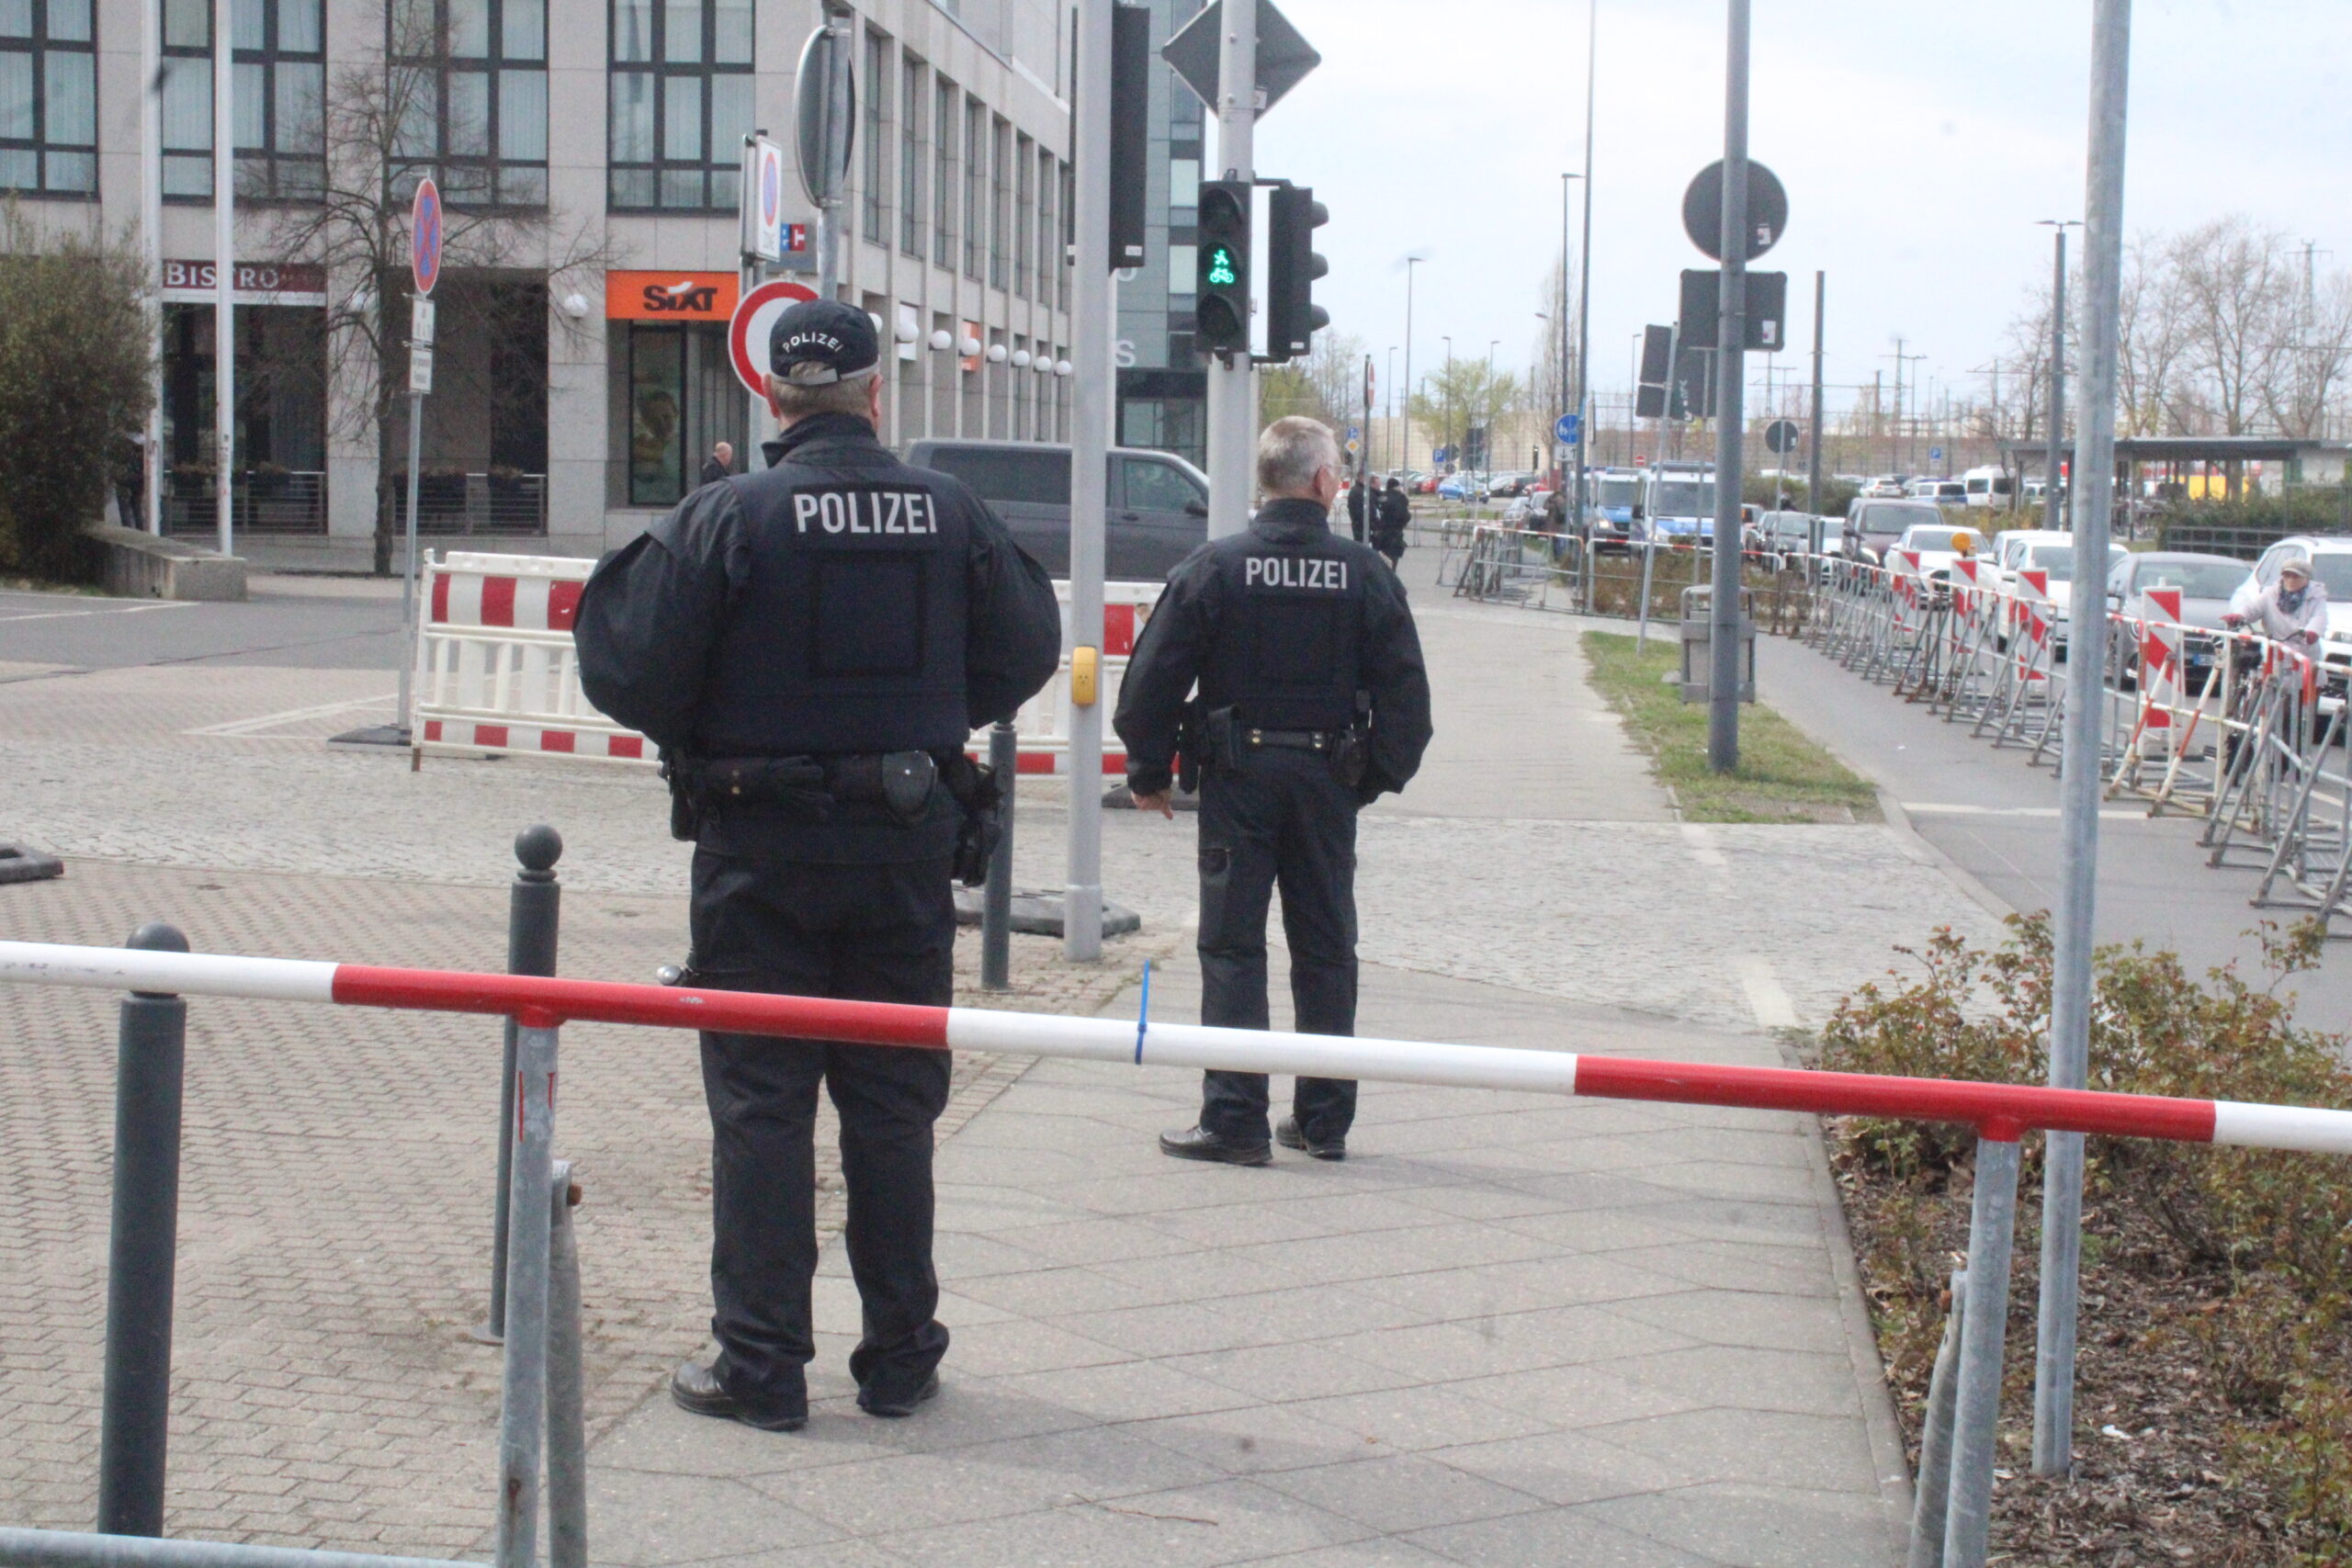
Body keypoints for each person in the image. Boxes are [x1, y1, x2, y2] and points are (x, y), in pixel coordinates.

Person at [572, 299, 1061, 1433]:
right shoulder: (950, 513)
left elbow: (623, 663)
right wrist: (925, 720)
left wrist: (713, 727)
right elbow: (1025, 648)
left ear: (774, 400)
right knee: (892, 1111)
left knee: (761, 1109)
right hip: (903, 848)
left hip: (762, 851)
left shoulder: (727, 515)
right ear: (874, 394)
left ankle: (760, 1367)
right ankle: (899, 1359)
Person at [1114, 416, 1432, 1164]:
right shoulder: (1366, 572)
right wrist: (1371, 777)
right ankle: (1323, 1121)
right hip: (1327, 781)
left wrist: (1150, 771)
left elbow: (1151, 680)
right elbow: (1408, 703)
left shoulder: (1216, 566)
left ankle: (1234, 1119)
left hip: (1237, 780)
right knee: (1327, 947)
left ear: (1268, 480)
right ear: (1323, 482)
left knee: (1231, 947)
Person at [2225, 554, 2328, 653]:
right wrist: (2239, 615)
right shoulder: (2271, 593)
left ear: (2306, 579)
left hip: (2305, 653)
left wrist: (2312, 632)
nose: (2290, 580)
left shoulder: (2316, 596)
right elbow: (2253, 608)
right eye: (2287, 576)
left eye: (2296, 577)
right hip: (2276, 652)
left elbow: (2320, 616)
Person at [1371, 476, 1411, 571]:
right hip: (1394, 535)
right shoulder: (1400, 498)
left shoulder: (1381, 497)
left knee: (1380, 562)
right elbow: (1405, 516)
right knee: (1392, 563)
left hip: (1380, 535)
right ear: (1396, 487)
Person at [1345, 470, 1369, 543]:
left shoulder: (1357, 489)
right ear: (1361, 477)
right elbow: (1356, 508)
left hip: (1357, 522)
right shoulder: (1358, 491)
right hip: (1360, 523)